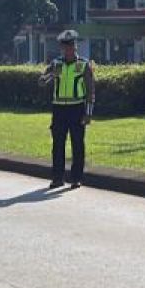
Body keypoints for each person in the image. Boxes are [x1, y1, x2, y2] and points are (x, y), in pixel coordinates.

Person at [39, 29, 96, 189]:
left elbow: (91, 90)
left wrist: (88, 113)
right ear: (61, 48)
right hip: (59, 109)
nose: (68, 50)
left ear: (75, 47)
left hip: (77, 108)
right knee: (57, 145)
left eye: (71, 46)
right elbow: (42, 81)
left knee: (77, 144)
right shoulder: (56, 63)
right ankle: (57, 177)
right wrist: (47, 78)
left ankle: (76, 178)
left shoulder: (83, 65)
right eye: (65, 47)